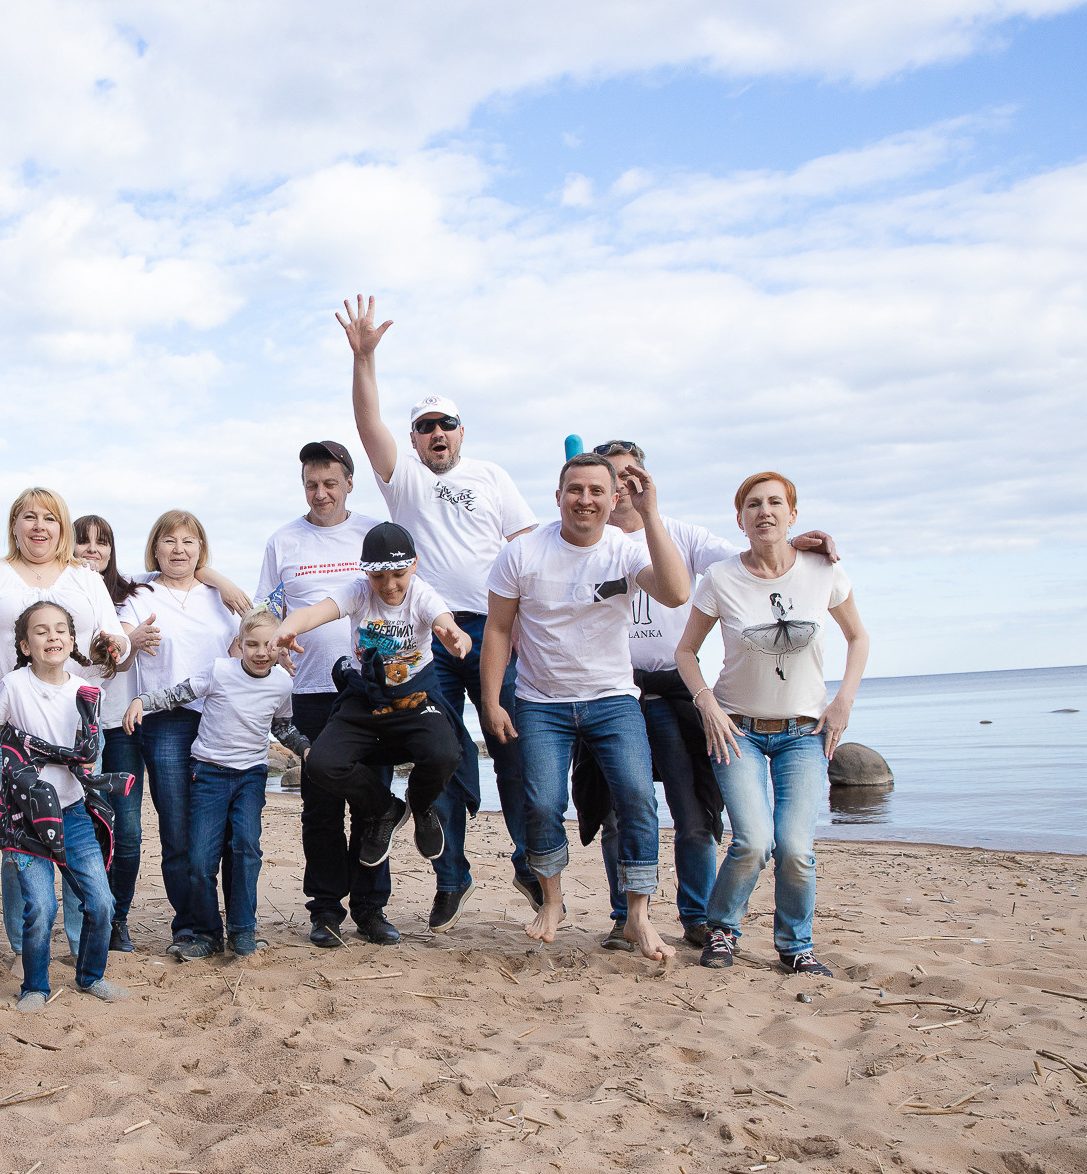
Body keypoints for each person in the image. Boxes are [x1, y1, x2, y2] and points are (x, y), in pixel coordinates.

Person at [338, 295, 540, 933]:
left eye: (445, 424)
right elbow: (369, 425)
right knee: (445, 753)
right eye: (424, 426)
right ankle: (453, 875)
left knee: (512, 744)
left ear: (461, 429)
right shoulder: (405, 481)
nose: (436, 434)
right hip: (425, 634)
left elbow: (530, 548)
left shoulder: (493, 477)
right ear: (416, 437)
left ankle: (529, 859)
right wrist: (365, 360)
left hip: (493, 631)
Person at [587, 441, 837, 952]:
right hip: (613, 689)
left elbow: (754, 564)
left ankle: (697, 916)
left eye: (634, 475)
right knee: (620, 811)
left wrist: (797, 545)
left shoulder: (681, 535)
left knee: (695, 815)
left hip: (679, 692)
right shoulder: (587, 542)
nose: (626, 486)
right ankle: (623, 917)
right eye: (615, 479)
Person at [478, 453, 692, 961]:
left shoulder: (625, 549)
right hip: (541, 703)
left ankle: (637, 914)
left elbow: (678, 592)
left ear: (614, 499)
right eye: (576, 490)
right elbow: (499, 629)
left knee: (638, 797)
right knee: (542, 803)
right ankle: (552, 901)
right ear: (558, 497)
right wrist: (491, 700)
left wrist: (652, 513)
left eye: (598, 491)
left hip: (613, 699)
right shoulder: (522, 554)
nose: (586, 500)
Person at [675, 471, 869, 977]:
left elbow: (858, 638)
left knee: (797, 849)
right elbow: (686, 651)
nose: (765, 511)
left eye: (775, 503)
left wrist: (843, 700)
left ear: (793, 515)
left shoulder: (822, 570)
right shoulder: (720, 578)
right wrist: (707, 705)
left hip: (805, 733)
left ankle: (795, 945)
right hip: (736, 731)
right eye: (753, 505)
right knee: (754, 840)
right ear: (740, 520)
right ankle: (722, 929)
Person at [0, 488, 131, 960]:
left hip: (78, 730)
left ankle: (78, 941)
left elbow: (114, 639)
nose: (38, 526)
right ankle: (23, 943)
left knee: (79, 829)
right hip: (11, 730)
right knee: (22, 832)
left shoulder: (85, 577)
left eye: (49, 518)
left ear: (62, 527)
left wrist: (116, 648)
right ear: (14, 525)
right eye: (28, 517)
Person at [0, 602, 132, 1011]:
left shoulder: (85, 692)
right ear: (24, 644)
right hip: (27, 818)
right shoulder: (14, 685)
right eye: (41, 631)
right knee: (41, 906)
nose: (52, 637)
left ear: (72, 641)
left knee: (101, 902)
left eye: (61, 630)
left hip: (73, 813)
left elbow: (90, 749)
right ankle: (35, 986)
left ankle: (91, 976)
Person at [255, 440, 391, 947]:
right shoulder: (283, 541)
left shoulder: (372, 534)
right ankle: (326, 911)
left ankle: (372, 910)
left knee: (372, 804)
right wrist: (271, 641)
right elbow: (267, 605)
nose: (320, 493)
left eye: (330, 483)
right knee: (320, 808)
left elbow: (402, 593)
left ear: (349, 483)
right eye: (311, 485)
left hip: (370, 690)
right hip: (309, 690)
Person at [274, 522, 468, 875]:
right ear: (366, 573)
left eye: (398, 573)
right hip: (366, 696)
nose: (390, 585)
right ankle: (385, 810)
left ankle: (421, 805)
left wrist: (456, 637)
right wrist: (287, 628)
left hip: (415, 696)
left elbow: (446, 621)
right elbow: (314, 612)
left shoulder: (422, 595)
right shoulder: (359, 592)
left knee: (446, 753)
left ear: (414, 564)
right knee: (321, 764)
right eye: (379, 577)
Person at [125, 607, 307, 957]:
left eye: (267, 645)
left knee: (246, 848)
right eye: (250, 644)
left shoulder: (283, 681)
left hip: (251, 777)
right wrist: (142, 701)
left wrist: (307, 749)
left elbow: (282, 726)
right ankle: (207, 935)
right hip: (208, 774)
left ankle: (242, 931)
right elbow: (178, 694)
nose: (259, 652)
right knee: (200, 860)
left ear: (279, 646)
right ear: (238, 644)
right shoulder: (220, 671)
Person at [119, 510, 242, 959]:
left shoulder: (218, 596)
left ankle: (236, 924)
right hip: (166, 722)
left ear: (201, 549)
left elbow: (239, 651)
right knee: (178, 830)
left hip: (219, 719)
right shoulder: (138, 591)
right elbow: (123, 641)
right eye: (169, 541)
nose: (178, 549)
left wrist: (221, 580)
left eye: (189, 542)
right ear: (155, 548)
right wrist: (131, 636)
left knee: (224, 829)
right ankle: (192, 927)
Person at [72, 515, 149, 951]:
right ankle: (87, 913)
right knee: (84, 825)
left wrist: (131, 638)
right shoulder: (64, 589)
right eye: (83, 542)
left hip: (122, 725)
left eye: (102, 543)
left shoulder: (132, 594)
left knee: (129, 828)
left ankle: (117, 917)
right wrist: (131, 639)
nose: (92, 550)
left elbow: (179, 566)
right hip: (77, 726)